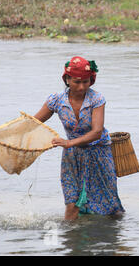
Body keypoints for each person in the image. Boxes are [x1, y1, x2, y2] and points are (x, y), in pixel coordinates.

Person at [34, 56, 125, 220]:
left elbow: (97, 132)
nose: (82, 86)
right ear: (67, 79)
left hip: (99, 154)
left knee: (109, 205)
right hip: (72, 156)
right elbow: (32, 122)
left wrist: (68, 143)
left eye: (86, 81)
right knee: (72, 201)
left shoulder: (96, 99)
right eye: (77, 82)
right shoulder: (56, 100)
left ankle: (111, 240)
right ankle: (72, 240)